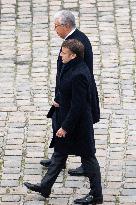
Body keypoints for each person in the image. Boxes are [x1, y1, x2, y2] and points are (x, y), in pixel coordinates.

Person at [24, 39, 103, 204]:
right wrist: (59, 100)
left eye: (64, 53)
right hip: (68, 118)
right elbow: (67, 90)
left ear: (73, 55)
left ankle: (97, 195)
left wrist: (65, 127)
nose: (61, 56)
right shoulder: (70, 66)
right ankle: (45, 187)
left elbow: (79, 105)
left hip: (78, 125)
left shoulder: (80, 74)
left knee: (88, 158)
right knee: (59, 154)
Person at [40, 10, 100, 176]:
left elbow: (76, 74)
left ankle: (81, 164)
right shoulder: (74, 39)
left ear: (65, 26)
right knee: (58, 122)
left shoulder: (76, 42)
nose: (55, 31)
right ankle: (59, 157)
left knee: (76, 129)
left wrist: (61, 96)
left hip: (75, 95)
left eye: (56, 27)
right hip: (68, 93)